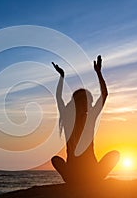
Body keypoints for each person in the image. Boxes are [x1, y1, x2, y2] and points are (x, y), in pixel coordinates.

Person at [51, 55, 120, 184]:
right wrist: (61, 77)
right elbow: (58, 98)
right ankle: (88, 179)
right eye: (89, 102)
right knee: (55, 159)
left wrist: (99, 73)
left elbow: (104, 95)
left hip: (84, 171)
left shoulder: (83, 118)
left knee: (115, 154)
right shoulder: (72, 119)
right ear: (80, 102)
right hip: (84, 171)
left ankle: (77, 179)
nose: (91, 105)